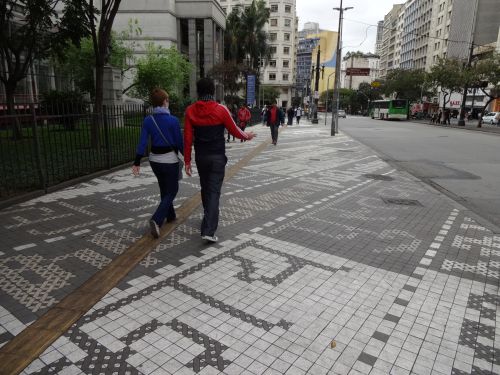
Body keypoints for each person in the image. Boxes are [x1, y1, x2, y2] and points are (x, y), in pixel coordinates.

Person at [184, 78, 256, 243]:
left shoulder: (190, 111)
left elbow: (187, 138)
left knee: (205, 187)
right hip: (217, 157)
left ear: (199, 91)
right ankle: (208, 230)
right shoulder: (221, 110)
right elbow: (234, 129)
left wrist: (187, 161)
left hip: (201, 157)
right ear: (212, 91)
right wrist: (247, 136)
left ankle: (207, 216)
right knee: (214, 191)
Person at [132, 88, 183, 239]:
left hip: (154, 160)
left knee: (164, 187)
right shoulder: (173, 120)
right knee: (172, 190)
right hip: (169, 160)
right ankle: (156, 219)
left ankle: (171, 215)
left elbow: (142, 143)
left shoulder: (148, 120)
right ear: (164, 102)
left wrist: (137, 162)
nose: (168, 102)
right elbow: (180, 143)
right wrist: (187, 158)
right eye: (167, 100)